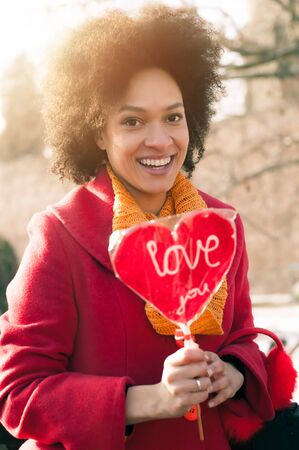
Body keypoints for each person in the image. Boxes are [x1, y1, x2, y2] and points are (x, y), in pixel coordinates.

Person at [0, 4, 295, 450]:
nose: (160, 140)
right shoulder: (59, 235)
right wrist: (148, 400)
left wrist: (232, 371)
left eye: (174, 117)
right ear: (97, 131)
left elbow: (244, 336)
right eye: (133, 121)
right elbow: (18, 392)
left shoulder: (221, 224)